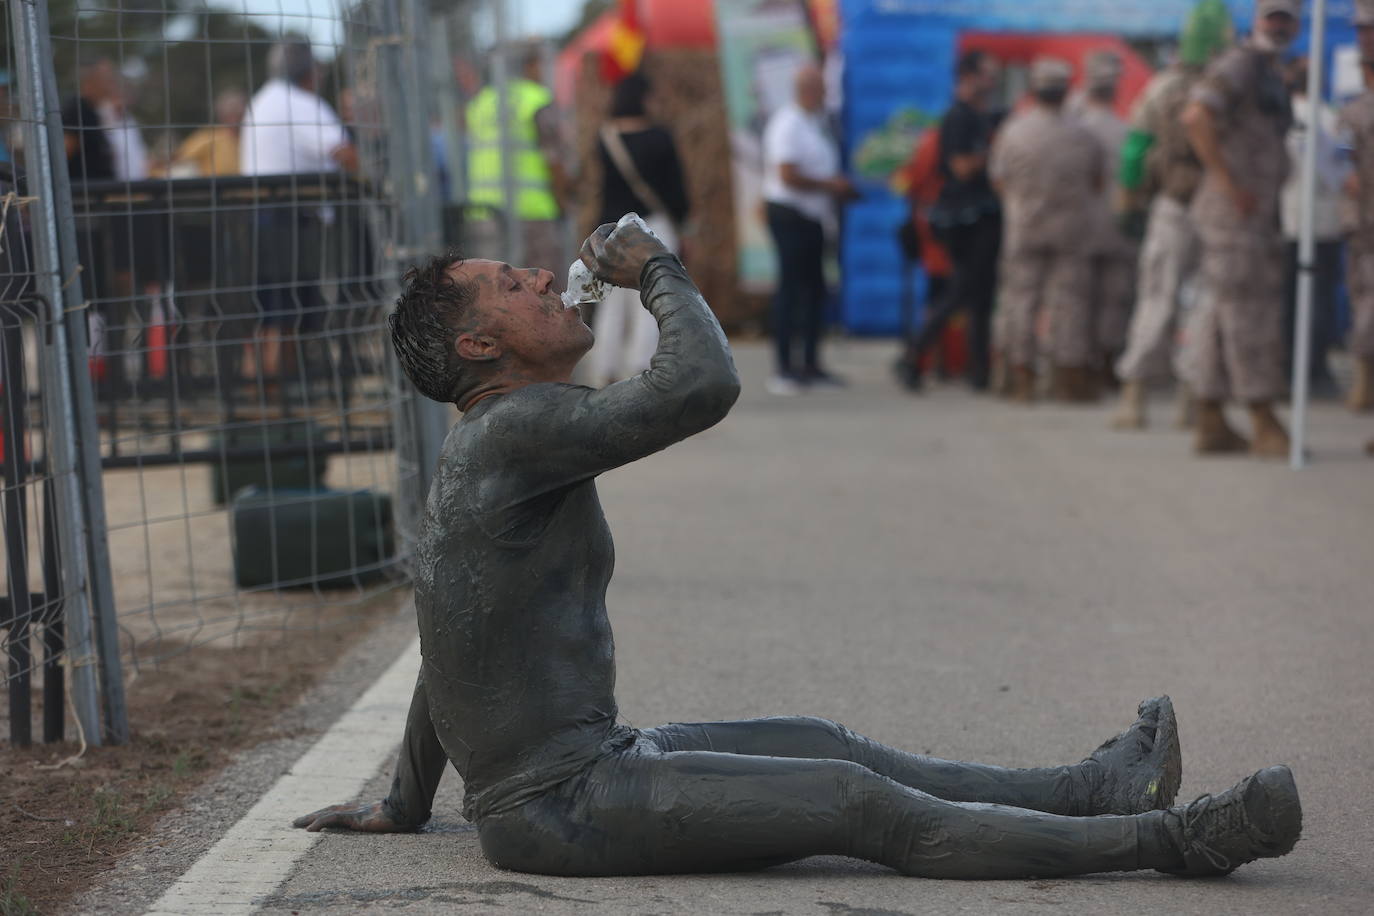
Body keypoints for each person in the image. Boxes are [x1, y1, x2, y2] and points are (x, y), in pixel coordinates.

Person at [293, 220, 1303, 880]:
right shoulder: (516, 427)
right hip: (559, 805)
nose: (544, 281)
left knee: (836, 745)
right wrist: (659, 275)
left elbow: (447, 634)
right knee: (855, 803)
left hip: (587, 764)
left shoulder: (493, 438)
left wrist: (405, 800)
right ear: (481, 349)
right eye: (515, 285)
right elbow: (701, 386)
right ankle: (1173, 840)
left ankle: (1096, 787)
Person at [1181, 0, 1300, 457]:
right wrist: (1228, 183)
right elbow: (1196, 116)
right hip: (1235, 215)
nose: (1280, 25)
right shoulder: (1242, 64)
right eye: (1272, 15)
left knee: (1218, 316)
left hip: (1247, 213)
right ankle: (1262, 414)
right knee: (1249, 313)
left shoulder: (1269, 70)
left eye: (1288, 17)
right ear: (1256, 18)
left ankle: (1210, 415)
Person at [1111, 0, 1233, 431]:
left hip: (1173, 206)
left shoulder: (1162, 88)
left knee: (1157, 298)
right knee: (1203, 306)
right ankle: (1191, 400)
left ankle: (1135, 396)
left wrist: (1127, 201)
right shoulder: (1230, 91)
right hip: (1218, 210)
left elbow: (1135, 149)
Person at [239, 36, 358, 385]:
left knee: (271, 311)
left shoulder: (261, 100)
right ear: (309, 69)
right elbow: (343, 153)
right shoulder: (300, 103)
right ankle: (281, 406)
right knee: (285, 312)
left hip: (264, 214)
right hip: (291, 217)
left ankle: (269, 401)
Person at [990, 57, 1105, 403]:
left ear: (1033, 90)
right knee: (1069, 302)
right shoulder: (1083, 134)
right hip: (1070, 228)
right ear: (1066, 90)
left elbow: (998, 179)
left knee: (1021, 299)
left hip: (1025, 225)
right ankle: (1067, 378)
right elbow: (1097, 182)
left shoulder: (1013, 130)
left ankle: (1020, 376)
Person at [905, 50, 1003, 393]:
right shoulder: (959, 118)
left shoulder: (980, 116)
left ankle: (979, 372)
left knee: (979, 296)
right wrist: (996, 154)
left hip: (980, 219)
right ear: (969, 78)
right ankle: (915, 357)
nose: (992, 82)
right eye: (987, 74)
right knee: (960, 292)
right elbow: (961, 166)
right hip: (966, 221)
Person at [587, 72, 691, 385]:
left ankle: (605, 365)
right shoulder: (660, 137)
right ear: (644, 98)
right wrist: (685, 223)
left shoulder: (605, 137)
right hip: (654, 224)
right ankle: (640, 365)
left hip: (612, 227)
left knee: (612, 300)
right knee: (651, 296)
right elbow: (675, 190)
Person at [762, 63, 856, 395]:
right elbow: (787, 174)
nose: (826, 95)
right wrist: (830, 185)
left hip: (813, 217)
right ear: (807, 90)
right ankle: (785, 368)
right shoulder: (787, 123)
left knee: (815, 290)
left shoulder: (815, 123)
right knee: (791, 291)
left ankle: (811, 364)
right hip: (790, 215)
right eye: (822, 89)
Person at [465, 44, 570, 280]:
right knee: (544, 290)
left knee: (497, 291)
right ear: (528, 66)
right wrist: (563, 201)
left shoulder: (481, 102)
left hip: (485, 215)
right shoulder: (536, 99)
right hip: (533, 214)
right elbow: (554, 159)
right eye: (539, 64)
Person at [1280, 58, 1344, 398]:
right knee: (1316, 298)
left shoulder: (1285, 116)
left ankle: (1295, 366)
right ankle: (1313, 367)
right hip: (1323, 223)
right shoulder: (1333, 118)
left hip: (1291, 221)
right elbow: (1344, 165)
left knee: (1293, 299)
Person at [1074, 51, 1137, 387]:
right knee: (1112, 299)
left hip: (1080, 227)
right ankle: (1105, 364)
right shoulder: (1124, 129)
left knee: (1080, 299)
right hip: (1114, 225)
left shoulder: (1072, 124)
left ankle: (1078, 366)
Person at [892, 126, 957, 390]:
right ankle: (927, 358)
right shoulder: (936, 141)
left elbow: (903, 183)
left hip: (934, 232)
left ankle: (930, 358)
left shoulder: (929, 141)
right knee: (947, 298)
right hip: (943, 236)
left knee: (940, 297)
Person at [1340, 0, 1374, 414]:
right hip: (1363, 223)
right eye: (1362, 29)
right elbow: (1338, 162)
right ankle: (1365, 379)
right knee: (1364, 298)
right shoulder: (1351, 110)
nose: (1365, 35)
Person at [171, 89, 246, 177]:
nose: (236, 120)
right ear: (221, 115)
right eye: (231, 114)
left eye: (240, 114)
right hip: (216, 188)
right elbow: (178, 161)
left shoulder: (251, 138)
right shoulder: (208, 138)